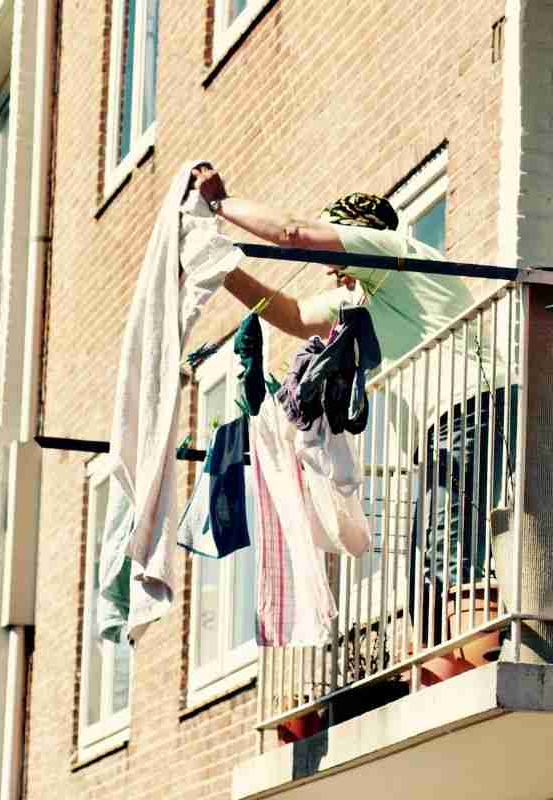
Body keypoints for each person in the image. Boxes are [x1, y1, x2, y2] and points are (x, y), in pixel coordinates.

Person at [192, 164, 510, 651]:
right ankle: (436, 655)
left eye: (335, 249)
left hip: (467, 404)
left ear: (358, 235)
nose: (328, 267)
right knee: (430, 552)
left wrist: (220, 204)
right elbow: (294, 315)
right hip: (448, 423)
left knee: (449, 541)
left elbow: (290, 233)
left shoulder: (391, 252)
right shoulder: (366, 295)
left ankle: (468, 651)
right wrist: (220, 266)